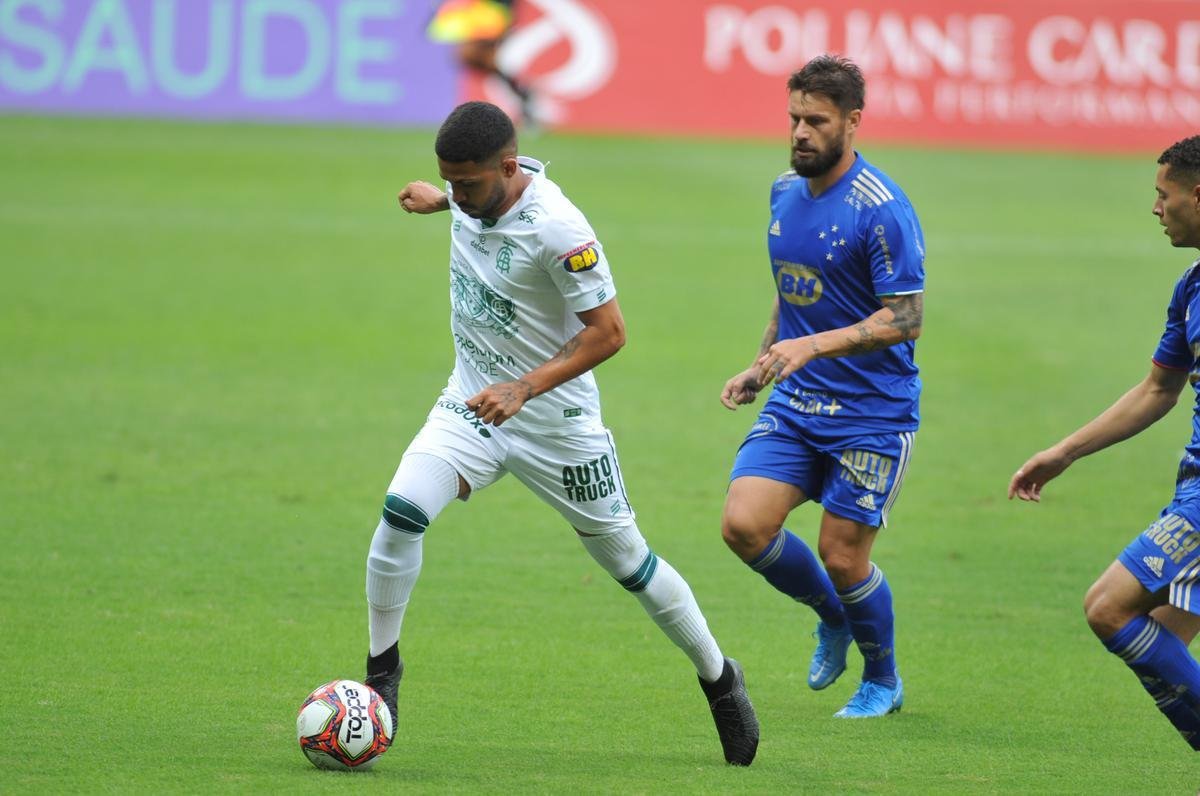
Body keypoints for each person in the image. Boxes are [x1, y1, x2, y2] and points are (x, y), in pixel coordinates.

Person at [363, 101, 759, 765]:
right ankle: (381, 676)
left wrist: (524, 387)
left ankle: (719, 676)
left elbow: (611, 333)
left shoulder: (560, 229)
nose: (461, 196)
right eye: (450, 183)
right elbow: (468, 202)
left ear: (509, 168)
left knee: (629, 562)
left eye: (468, 185)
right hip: (471, 401)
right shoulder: (473, 194)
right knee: (400, 514)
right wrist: (442, 203)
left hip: (556, 423)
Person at [719, 55, 925, 719]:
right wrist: (762, 364)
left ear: (853, 123)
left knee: (842, 555)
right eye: (794, 119)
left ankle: (883, 682)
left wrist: (812, 345)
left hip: (872, 413)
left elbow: (907, 318)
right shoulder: (784, 192)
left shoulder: (882, 210)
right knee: (743, 526)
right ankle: (832, 617)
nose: (800, 133)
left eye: (816, 121)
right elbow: (794, 295)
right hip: (799, 402)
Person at [1009, 136, 1200, 750]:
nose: (1156, 208)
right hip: (1190, 483)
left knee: (1109, 607)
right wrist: (1064, 452)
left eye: (1162, 195)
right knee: (1163, 643)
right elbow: (1157, 390)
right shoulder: (1191, 288)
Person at [426, 0, 537, 126]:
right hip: (485, 27)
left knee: (499, 64)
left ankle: (523, 100)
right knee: (472, 57)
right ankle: (522, 97)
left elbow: (505, 12)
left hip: (498, 26)